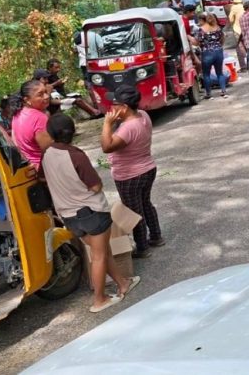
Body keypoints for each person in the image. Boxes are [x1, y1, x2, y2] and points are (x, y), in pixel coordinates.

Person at [41, 113, 138, 312]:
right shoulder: (76, 155)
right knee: (99, 255)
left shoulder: (47, 154)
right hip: (91, 212)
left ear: (50, 133)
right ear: (73, 132)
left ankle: (122, 283)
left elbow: (43, 178)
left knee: (102, 251)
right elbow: (95, 186)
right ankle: (99, 299)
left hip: (69, 215)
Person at [100, 85, 163, 258]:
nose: (111, 108)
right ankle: (156, 236)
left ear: (124, 107)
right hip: (147, 168)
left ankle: (142, 248)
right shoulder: (143, 115)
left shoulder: (128, 128)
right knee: (145, 203)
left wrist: (107, 124)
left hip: (129, 175)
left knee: (133, 212)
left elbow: (107, 146)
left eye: (115, 105)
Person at [9, 79, 53, 167]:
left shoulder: (17, 114)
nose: (46, 96)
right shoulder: (39, 118)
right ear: (27, 100)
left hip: (30, 167)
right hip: (44, 168)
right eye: (40, 94)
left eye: (46, 92)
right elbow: (50, 151)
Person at [197, 13, 227, 98]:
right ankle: (223, 91)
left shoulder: (202, 29)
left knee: (206, 74)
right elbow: (222, 38)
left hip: (207, 53)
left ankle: (209, 93)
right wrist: (218, 46)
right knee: (220, 73)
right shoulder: (217, 28)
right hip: (218, 51)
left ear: (204, 19)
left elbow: (198, 42)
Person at [228, 0, 247, 72]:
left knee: (239, 49)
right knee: (247, 47)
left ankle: (243, 67)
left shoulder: (233, 7)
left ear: (234, 2)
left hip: (237, 30)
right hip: (245, 29)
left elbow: (230, 19)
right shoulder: (244, 6)